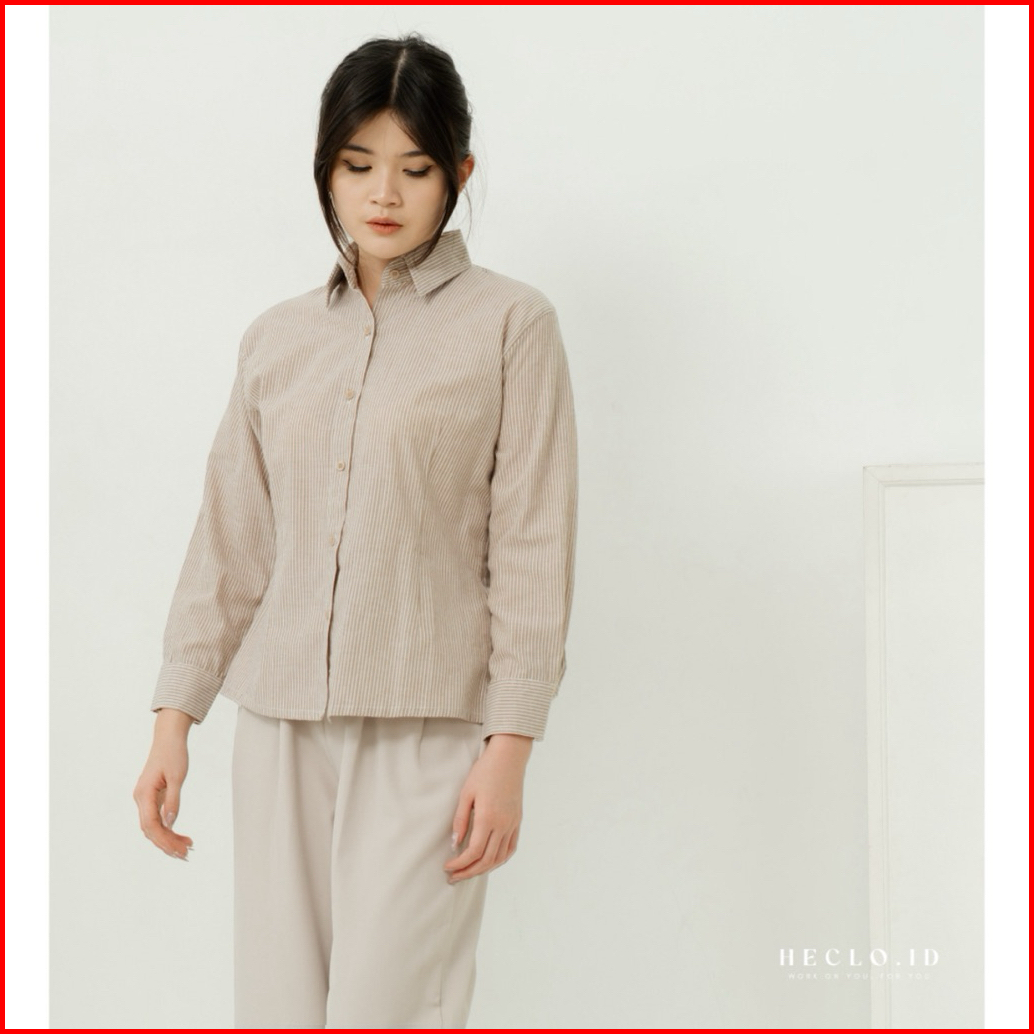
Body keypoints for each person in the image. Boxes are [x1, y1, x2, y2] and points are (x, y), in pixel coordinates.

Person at [131, 32, 578, 1030]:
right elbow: (231, 540)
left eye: (415, 169)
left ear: (459, 173)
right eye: (357, 164)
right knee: (276, 1010)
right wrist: (174, 720)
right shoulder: (277, 338)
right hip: (278, 726)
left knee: (392, 1008)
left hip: (430, 732)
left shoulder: (512, 326)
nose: (384, 194)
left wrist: (509, 747)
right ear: (324, 168)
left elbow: (533, 548)